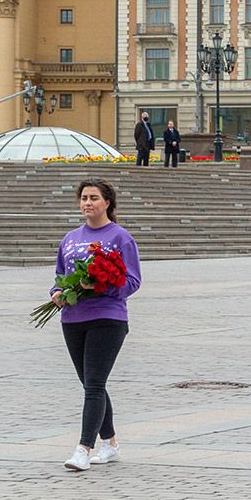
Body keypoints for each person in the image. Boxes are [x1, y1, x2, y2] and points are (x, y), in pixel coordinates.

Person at [53, 179, 142, 472]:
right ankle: (111, 444)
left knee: (93, 386)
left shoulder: (120, 238)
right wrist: (56, 293)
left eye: (93, 198)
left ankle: (83, 449)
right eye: (83, 198)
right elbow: (60, 274)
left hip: (108, 319)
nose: (87, 203)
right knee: (92, 385)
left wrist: (103, 284)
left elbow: (132, 281)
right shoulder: (70, 238)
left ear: (107, 203)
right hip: (73, 319)